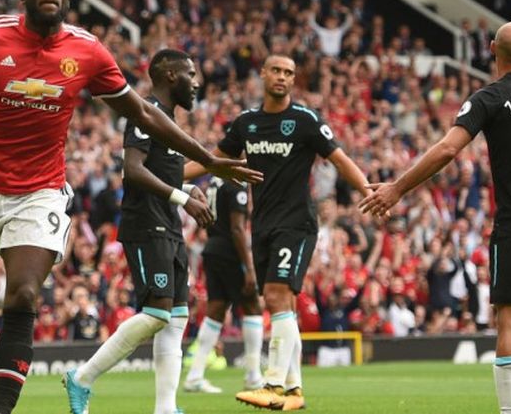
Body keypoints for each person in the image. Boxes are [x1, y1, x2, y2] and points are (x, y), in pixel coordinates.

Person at [0, 0, 260, 414]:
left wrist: (208, 158)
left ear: (69, 0)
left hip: (41, 190)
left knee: (24, 295)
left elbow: (146, 114)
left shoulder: (87, 51)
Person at [359, 21, 511, 414]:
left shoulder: (488, 98)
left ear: (492, 49)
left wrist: (397, 188)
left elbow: (446, 150)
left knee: (510, 319)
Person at [184, 54, 371, 410]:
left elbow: (339, 158)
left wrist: (367, 190)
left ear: (293, 79)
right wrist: (169, 177)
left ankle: (272, 384)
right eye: (277, 71)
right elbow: (212, 161)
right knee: (282, 302)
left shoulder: (305, 120)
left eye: (289, 73)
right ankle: (294, 389)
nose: (283, 77)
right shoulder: (246, 124)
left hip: (297, 223)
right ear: (263, 75)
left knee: (274, 295)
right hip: (263, 226)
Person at [63, 49, 213, 414]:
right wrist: (182, 196)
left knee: (176, 318)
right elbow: (133, 169)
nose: (196, 82)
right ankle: (82, 377)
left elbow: (162, 170)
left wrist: (188, 188)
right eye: (189, 74)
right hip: (147, 224)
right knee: (158, 314)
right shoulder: (144, 112)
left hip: (169, 226)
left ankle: (166, 408)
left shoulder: (169, 122)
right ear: (167, 74)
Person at [183, 177, 263, 394]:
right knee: (253, 306)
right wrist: (249, 268)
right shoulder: (235, 185)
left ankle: (195, 375)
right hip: (229, 252)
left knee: (216, 311)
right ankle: (254, 376)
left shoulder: (215, 182)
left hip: (212, 248)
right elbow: (237, 229)